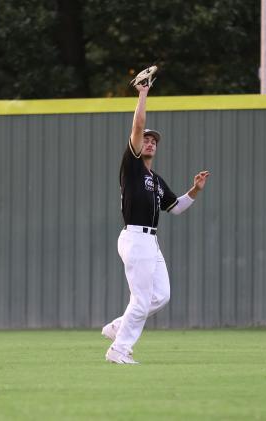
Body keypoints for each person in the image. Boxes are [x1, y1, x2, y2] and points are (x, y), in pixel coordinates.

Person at [102, 79, 210, 364]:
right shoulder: (133, 167)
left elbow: (175, 209)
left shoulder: (156, 180)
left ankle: (118, 327)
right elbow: (138, 126)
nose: (149, 142)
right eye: (146, 139)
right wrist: (143, 93)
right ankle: (119, 350)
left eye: (153, 141)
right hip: (135, 237)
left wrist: (195, 190)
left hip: (150, 240)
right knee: (140, 300)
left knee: (160, 295)